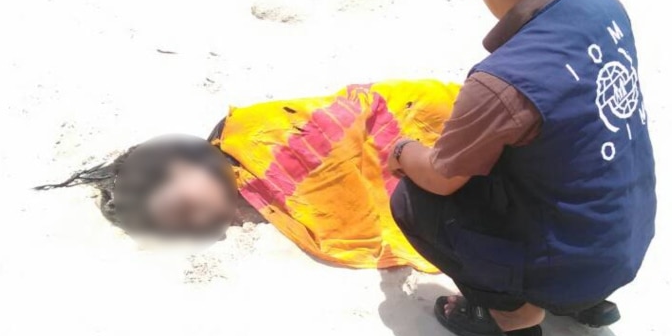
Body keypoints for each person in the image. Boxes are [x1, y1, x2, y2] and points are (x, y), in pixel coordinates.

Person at [386, 0, 657, 336]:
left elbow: (442, 180)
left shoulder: (500, 81)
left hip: (568, 263)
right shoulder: (606, 7)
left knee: (412, 200)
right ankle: (583, 300)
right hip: (628, 240)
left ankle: (511, 313)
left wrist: (403, 153)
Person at [35, 80, 461, 273]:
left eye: (186, 208)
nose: (199, 223)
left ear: (180, 167)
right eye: (183, 225)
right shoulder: (251, 189)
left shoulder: (250, 134)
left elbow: (349, 119)